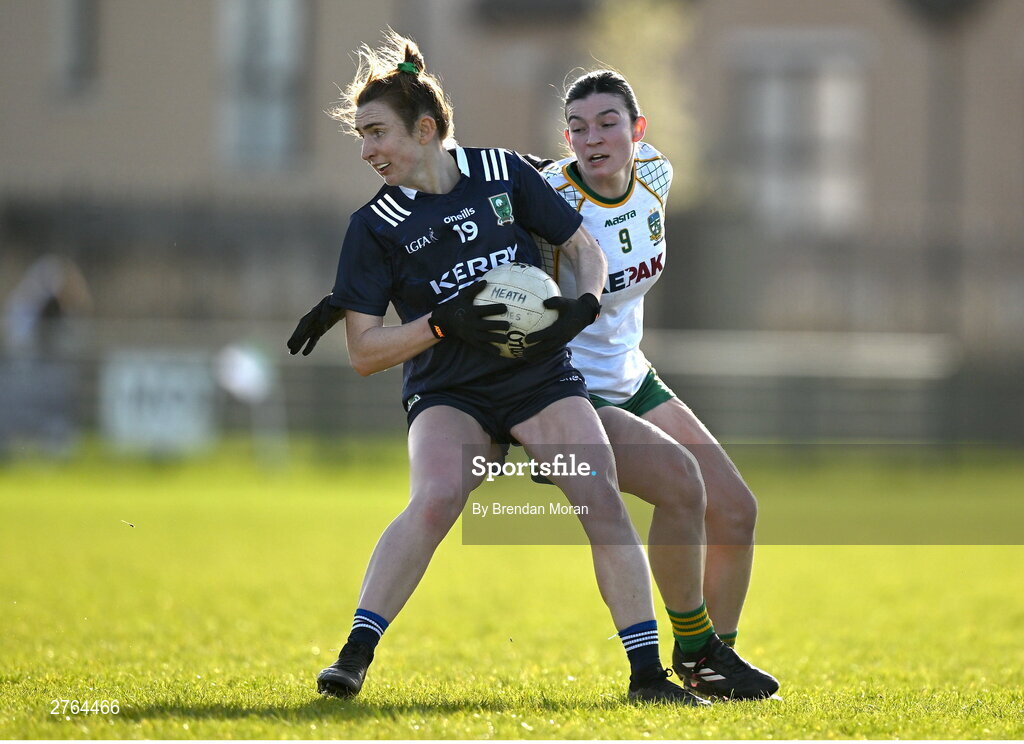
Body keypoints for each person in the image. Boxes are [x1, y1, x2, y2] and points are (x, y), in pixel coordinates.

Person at [287, 32, 708, 706]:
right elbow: (365, 353)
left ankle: (648, 676)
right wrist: (444, 322)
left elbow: (580, 243)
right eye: (361, 136)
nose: (366, 151)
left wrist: (586, 303)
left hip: (538, 381)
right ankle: (353, 656)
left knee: (599, 498)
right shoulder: (372, 226)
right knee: (434, 500)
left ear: (424, 130)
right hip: (451, 390)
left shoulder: (502, 173)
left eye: (376, 133)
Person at [527, 69, 778, 699]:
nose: (595, 138)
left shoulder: (655, 175)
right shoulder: (550, 198)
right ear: (567, 139)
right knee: (680, 489)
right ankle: (694, 648)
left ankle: (710, 663)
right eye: (579, 129)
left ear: (639, 131)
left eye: (610, 123)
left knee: (737, 512)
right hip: (572, 390)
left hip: (634, 377)